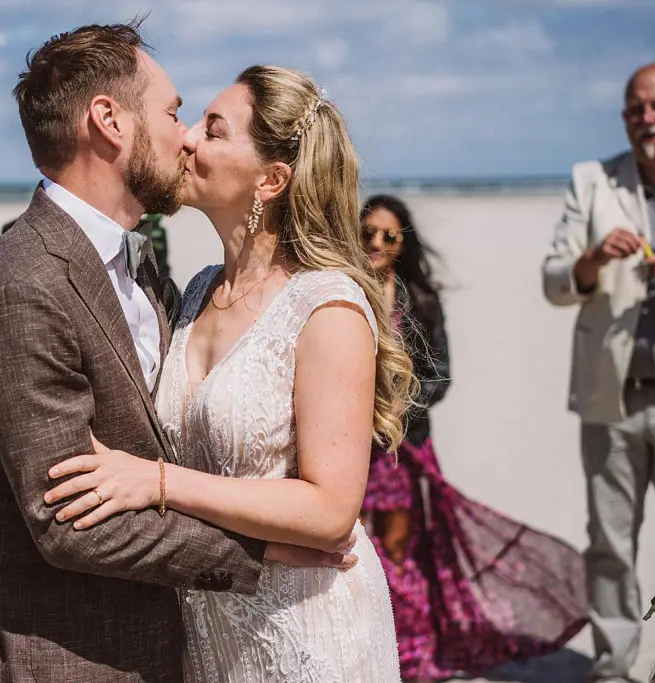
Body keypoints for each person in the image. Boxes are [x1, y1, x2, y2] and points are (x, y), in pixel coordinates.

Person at [0, 23, 355, 683]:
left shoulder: (148, 274)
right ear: (108, 120)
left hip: (189, 646)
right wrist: (262, 550)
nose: (184, 134)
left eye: (200, 123)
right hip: (61, 660)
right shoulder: (23, 285)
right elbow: (68, 524)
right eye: (170, 112)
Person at [44, 66, 409, 681]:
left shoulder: (327, 306)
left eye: (213, 130)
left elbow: (331, 510)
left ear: (271, 179)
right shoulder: (193, 294)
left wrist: (160, 483)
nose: (186, 138)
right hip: (210, 628)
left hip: (308, 632)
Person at [360, 195, 588, 681]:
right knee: (356, 547)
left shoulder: (417, 298)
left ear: (403, 244)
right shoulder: (343, 287)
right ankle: (366, 642)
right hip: (351, 444)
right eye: (368, 232)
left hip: (402, 446)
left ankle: (409, 649)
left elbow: (440, 374)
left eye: (388, 235)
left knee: (398, 548)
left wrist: (403, 403)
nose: (376, 242)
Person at [542, 62, 655, 682]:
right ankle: (613, 668)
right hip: (610, 397)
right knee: (611, 545)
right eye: (636, 109)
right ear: (624, 117)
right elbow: (554, 280)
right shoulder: (592, 181)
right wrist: (590, 260)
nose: (648, 119)